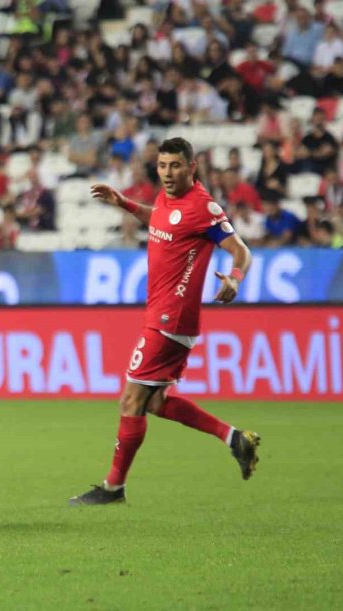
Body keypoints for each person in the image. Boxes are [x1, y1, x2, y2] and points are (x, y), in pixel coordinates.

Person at [72, 137, 259, 505]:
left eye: (175, 166)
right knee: (154, 402)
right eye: (162, 166)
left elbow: (241, 250)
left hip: (170, 318)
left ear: (192, 167)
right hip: (163, 315)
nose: (168, 173)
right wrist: (123, 203)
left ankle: (113, 488)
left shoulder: (203, 207)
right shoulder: (167, 198)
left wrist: (235, 278)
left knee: (130, 398)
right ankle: (233, 437)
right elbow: (160, 219)